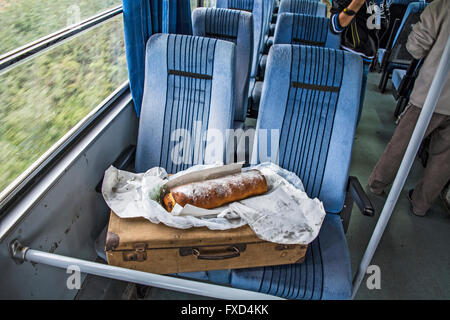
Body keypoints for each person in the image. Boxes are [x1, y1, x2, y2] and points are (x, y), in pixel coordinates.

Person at [368, 0, 450, 216]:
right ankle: (421, 205)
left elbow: (415, 47)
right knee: (444, 157)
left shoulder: (441, 6)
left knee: (402, 144)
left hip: (432, 94)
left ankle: (377, 185)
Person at [330, 0, 390, 123]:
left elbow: (336, 25)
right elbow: (336, 25)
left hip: (357, 54)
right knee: (349, 109)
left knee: (348, 111)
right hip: (354, 54)